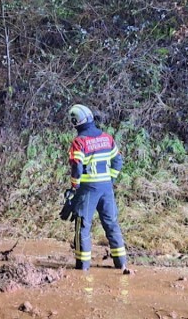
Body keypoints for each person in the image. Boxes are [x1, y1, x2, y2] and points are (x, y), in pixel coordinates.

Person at [66, 103, 131, 273]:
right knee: (112, 224)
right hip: (106, 188)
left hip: (88, 189)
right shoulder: (107, 138)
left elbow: (77, 166)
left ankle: (83, 267)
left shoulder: (79, 142)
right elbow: (118, 161)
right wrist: (110, 179)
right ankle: (122, 264)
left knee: (83, 225)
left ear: (75, 122)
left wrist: (74, 185)